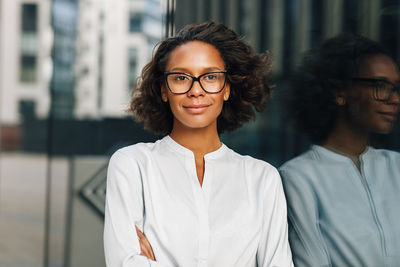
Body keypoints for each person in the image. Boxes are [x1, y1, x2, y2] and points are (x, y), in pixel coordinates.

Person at [104, 21, 293, 267]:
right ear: (164, 90)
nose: (196, 90)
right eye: (181, 77)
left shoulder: (262, 179)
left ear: (226, 89)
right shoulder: (133, 165)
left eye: (211, 77)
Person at [280, 33, 400, 267]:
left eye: (395, 88)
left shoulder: (396, 167)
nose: (394, 99)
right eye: (380, 86)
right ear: (340, 92)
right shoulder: (298, 178)